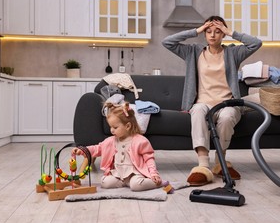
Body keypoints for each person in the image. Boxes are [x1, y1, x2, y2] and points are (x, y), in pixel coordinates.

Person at [162, 15, 262, 186]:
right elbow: (168, 42)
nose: (213, 35)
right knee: (198, 110)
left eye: (218, 31)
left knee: (227, 116)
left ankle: (220, 162)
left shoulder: (233, 53)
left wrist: (231, 32)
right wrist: (196, 30)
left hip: (227, 103)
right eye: (209, 31)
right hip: (203, 103)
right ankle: (203, 165)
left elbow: (256, 43)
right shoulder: (193, 52)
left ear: (223, 34)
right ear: (204, 34)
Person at [72, 102, 170, 192]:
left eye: (115, 127)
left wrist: (154, 174)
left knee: (136, 185)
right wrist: (83, 150)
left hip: (135, 174)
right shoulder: (111, 141)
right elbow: (98, 148)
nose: (112, 130)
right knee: (105, 183)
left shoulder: (140, 141)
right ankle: (125, 183)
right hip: (118, 174)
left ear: (127, 126)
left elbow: (149, 159)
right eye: (110, 127)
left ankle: (159, 183)